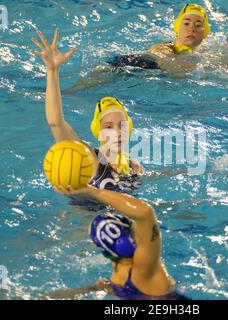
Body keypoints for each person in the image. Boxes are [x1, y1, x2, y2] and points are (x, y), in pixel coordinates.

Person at [30, 28, 144, 201]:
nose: (118, 132)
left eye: (122, 125)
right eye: (108, 127)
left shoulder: (134, 167)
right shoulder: (88, 159)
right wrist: (52, 71)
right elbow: (55, 122)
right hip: (87, 223)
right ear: (98, 131)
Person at [44, 185, 190, 300]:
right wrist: (93, 191)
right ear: (129, 242)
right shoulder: (144, 267)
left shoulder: (117, 278)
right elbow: (145, 212)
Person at [63, 3, 211, 92]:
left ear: (205, 32)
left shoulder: (204, 51)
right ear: (177, 28)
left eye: (198, 25)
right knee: (91, 83)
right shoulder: (164, 48)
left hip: (144, 75)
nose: (191, 28)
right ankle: (68, 91)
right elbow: (175, 72)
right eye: (186, 23)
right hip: (134, 65)